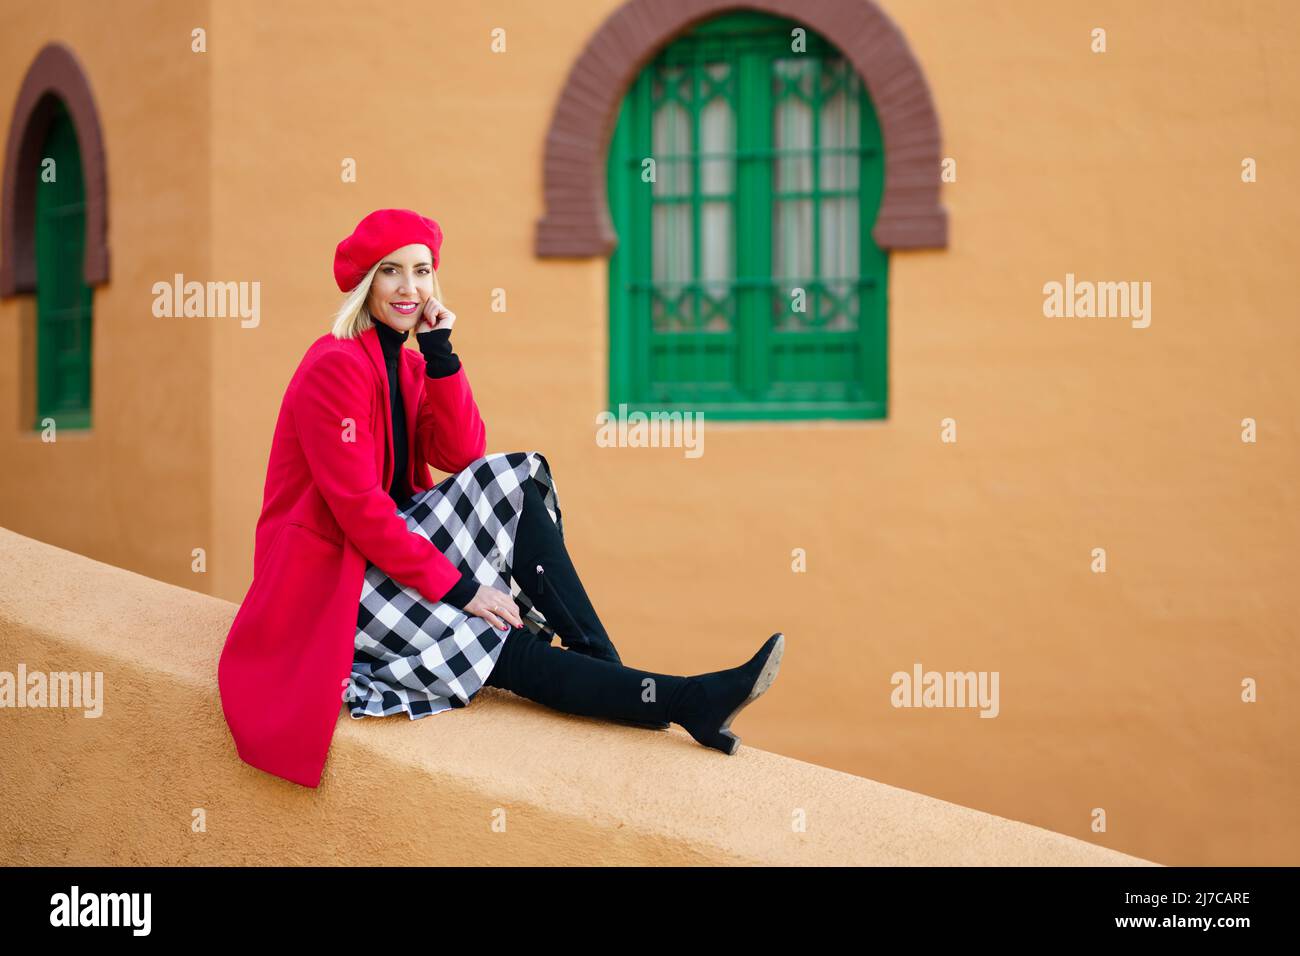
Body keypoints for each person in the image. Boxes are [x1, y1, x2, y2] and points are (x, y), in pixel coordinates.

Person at [217, 208, 783, 789]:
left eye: (422, 270)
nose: (410, 288)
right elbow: (360, 509)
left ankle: (602, 666)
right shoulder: (335, 366)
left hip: (380, 558)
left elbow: (464, 456)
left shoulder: (407, 367)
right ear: (367, 284)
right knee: (487, 632)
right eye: (391, 272)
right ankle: (685, 700)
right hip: (332, 585)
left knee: (510, 477)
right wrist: (463, 590)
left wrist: (441, 354)